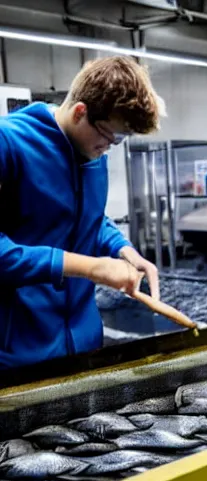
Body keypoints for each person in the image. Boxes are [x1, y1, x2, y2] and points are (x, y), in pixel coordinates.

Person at [0, 55, 164, 369]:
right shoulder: (8, 143)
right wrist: (89, 267)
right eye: (108, 137)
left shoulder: (91, 147)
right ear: (80, 112)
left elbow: (87, 217)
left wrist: (123, 249)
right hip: (18, 349)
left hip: (84, 342)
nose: (109, 147)